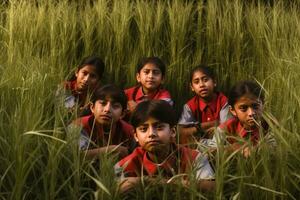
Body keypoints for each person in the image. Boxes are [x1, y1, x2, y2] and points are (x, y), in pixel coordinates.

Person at [114, 100, 215, 193]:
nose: (151, 134)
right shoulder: (125, 165)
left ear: (173, 131)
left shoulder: (194, 157)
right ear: (135, 136)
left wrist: (147, 181)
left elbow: (211, 188)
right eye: (144, 129)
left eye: (159, 127)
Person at [209, 80, 276, 157]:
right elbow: (210, 151)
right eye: (243, 108)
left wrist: (257, 149)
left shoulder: (269, 125)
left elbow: (275, 148)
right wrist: (232, 149)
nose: (251, 113)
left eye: (255, 106)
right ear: (233, 110)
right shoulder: (226, 128)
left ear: (263, 105)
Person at [68, 84, 135, 160]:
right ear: (92, 107)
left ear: (123, 114)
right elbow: (76, 157)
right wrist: (112, 150)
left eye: (115, 106)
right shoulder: (78, 126)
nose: (107, 109)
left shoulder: (129, 131)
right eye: (103, 103)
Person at [178, 65, 232, 145]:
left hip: (219, 145)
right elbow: (181, 133)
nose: (202, 85)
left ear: (214, 82)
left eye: (205, 80)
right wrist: (209, 125)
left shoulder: (223, 102)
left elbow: (225, 130)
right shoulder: (189, 106)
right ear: (192, 87)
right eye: (196, 82)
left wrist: (194, 131)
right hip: (200, 144)